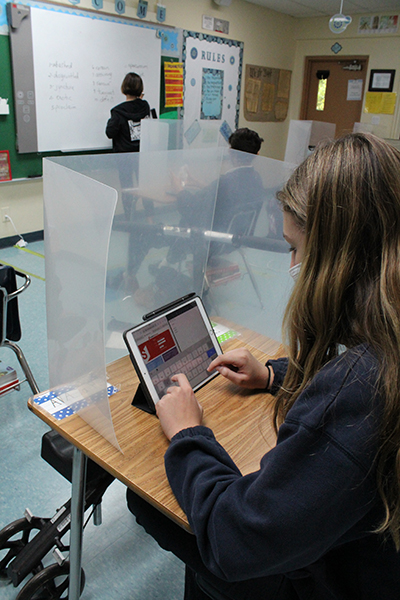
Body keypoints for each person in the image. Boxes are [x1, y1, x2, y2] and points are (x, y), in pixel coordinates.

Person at [127, 133, 400, 599]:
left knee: (146, 497)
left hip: (331, 580)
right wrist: (275, 374)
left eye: (297, 248)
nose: (293, 264)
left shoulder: (362, 391)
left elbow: (233, 541)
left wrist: (188, 435)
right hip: (372, 561)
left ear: (340, 259)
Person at [105, 72, 150, 154]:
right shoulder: (145, 106)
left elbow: (110, 133)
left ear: (123, 88)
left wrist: (110, 120)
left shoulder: (118, 111)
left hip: (123, 158)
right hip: (142, 155)